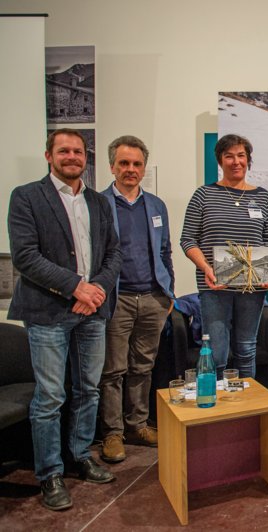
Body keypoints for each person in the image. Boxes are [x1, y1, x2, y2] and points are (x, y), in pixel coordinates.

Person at [7, 128, 122, 511]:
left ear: (86, 158)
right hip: (48, 312)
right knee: (51, 397)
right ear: (49, 156)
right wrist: (76, 288)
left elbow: (114, 253)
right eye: (64, 151)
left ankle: (80, 455)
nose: (72, 157)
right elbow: (25, 256)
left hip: (92, 312)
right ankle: (50, 473)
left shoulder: (98, 202)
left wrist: (97, 289)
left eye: (78, 151)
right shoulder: (26, 197)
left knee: (88, 389)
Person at [97, 135, 174, 463]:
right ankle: (112, 433)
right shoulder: (98, 203)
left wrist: (168, 292)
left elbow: (165, 250)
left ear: (144, 168)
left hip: (152, 298)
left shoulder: (156, 205)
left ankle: (137, 425)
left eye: (137, 164)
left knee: (143, 366)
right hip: (117, 299)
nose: (131, 169)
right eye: (124, 163)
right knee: (113, 370)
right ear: (112, 166)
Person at [180, 134, 268, 378]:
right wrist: (206, 267)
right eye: (229, 156)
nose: (236, 161)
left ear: (248, 159)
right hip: (215, 285)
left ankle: (245, 401)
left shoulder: (262, 196)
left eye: (241, 156)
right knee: (217, 352)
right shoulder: (204, 194)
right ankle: (216, 402)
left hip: (253, 286)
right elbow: (188, 239)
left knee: (247, 350)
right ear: (220, 160)